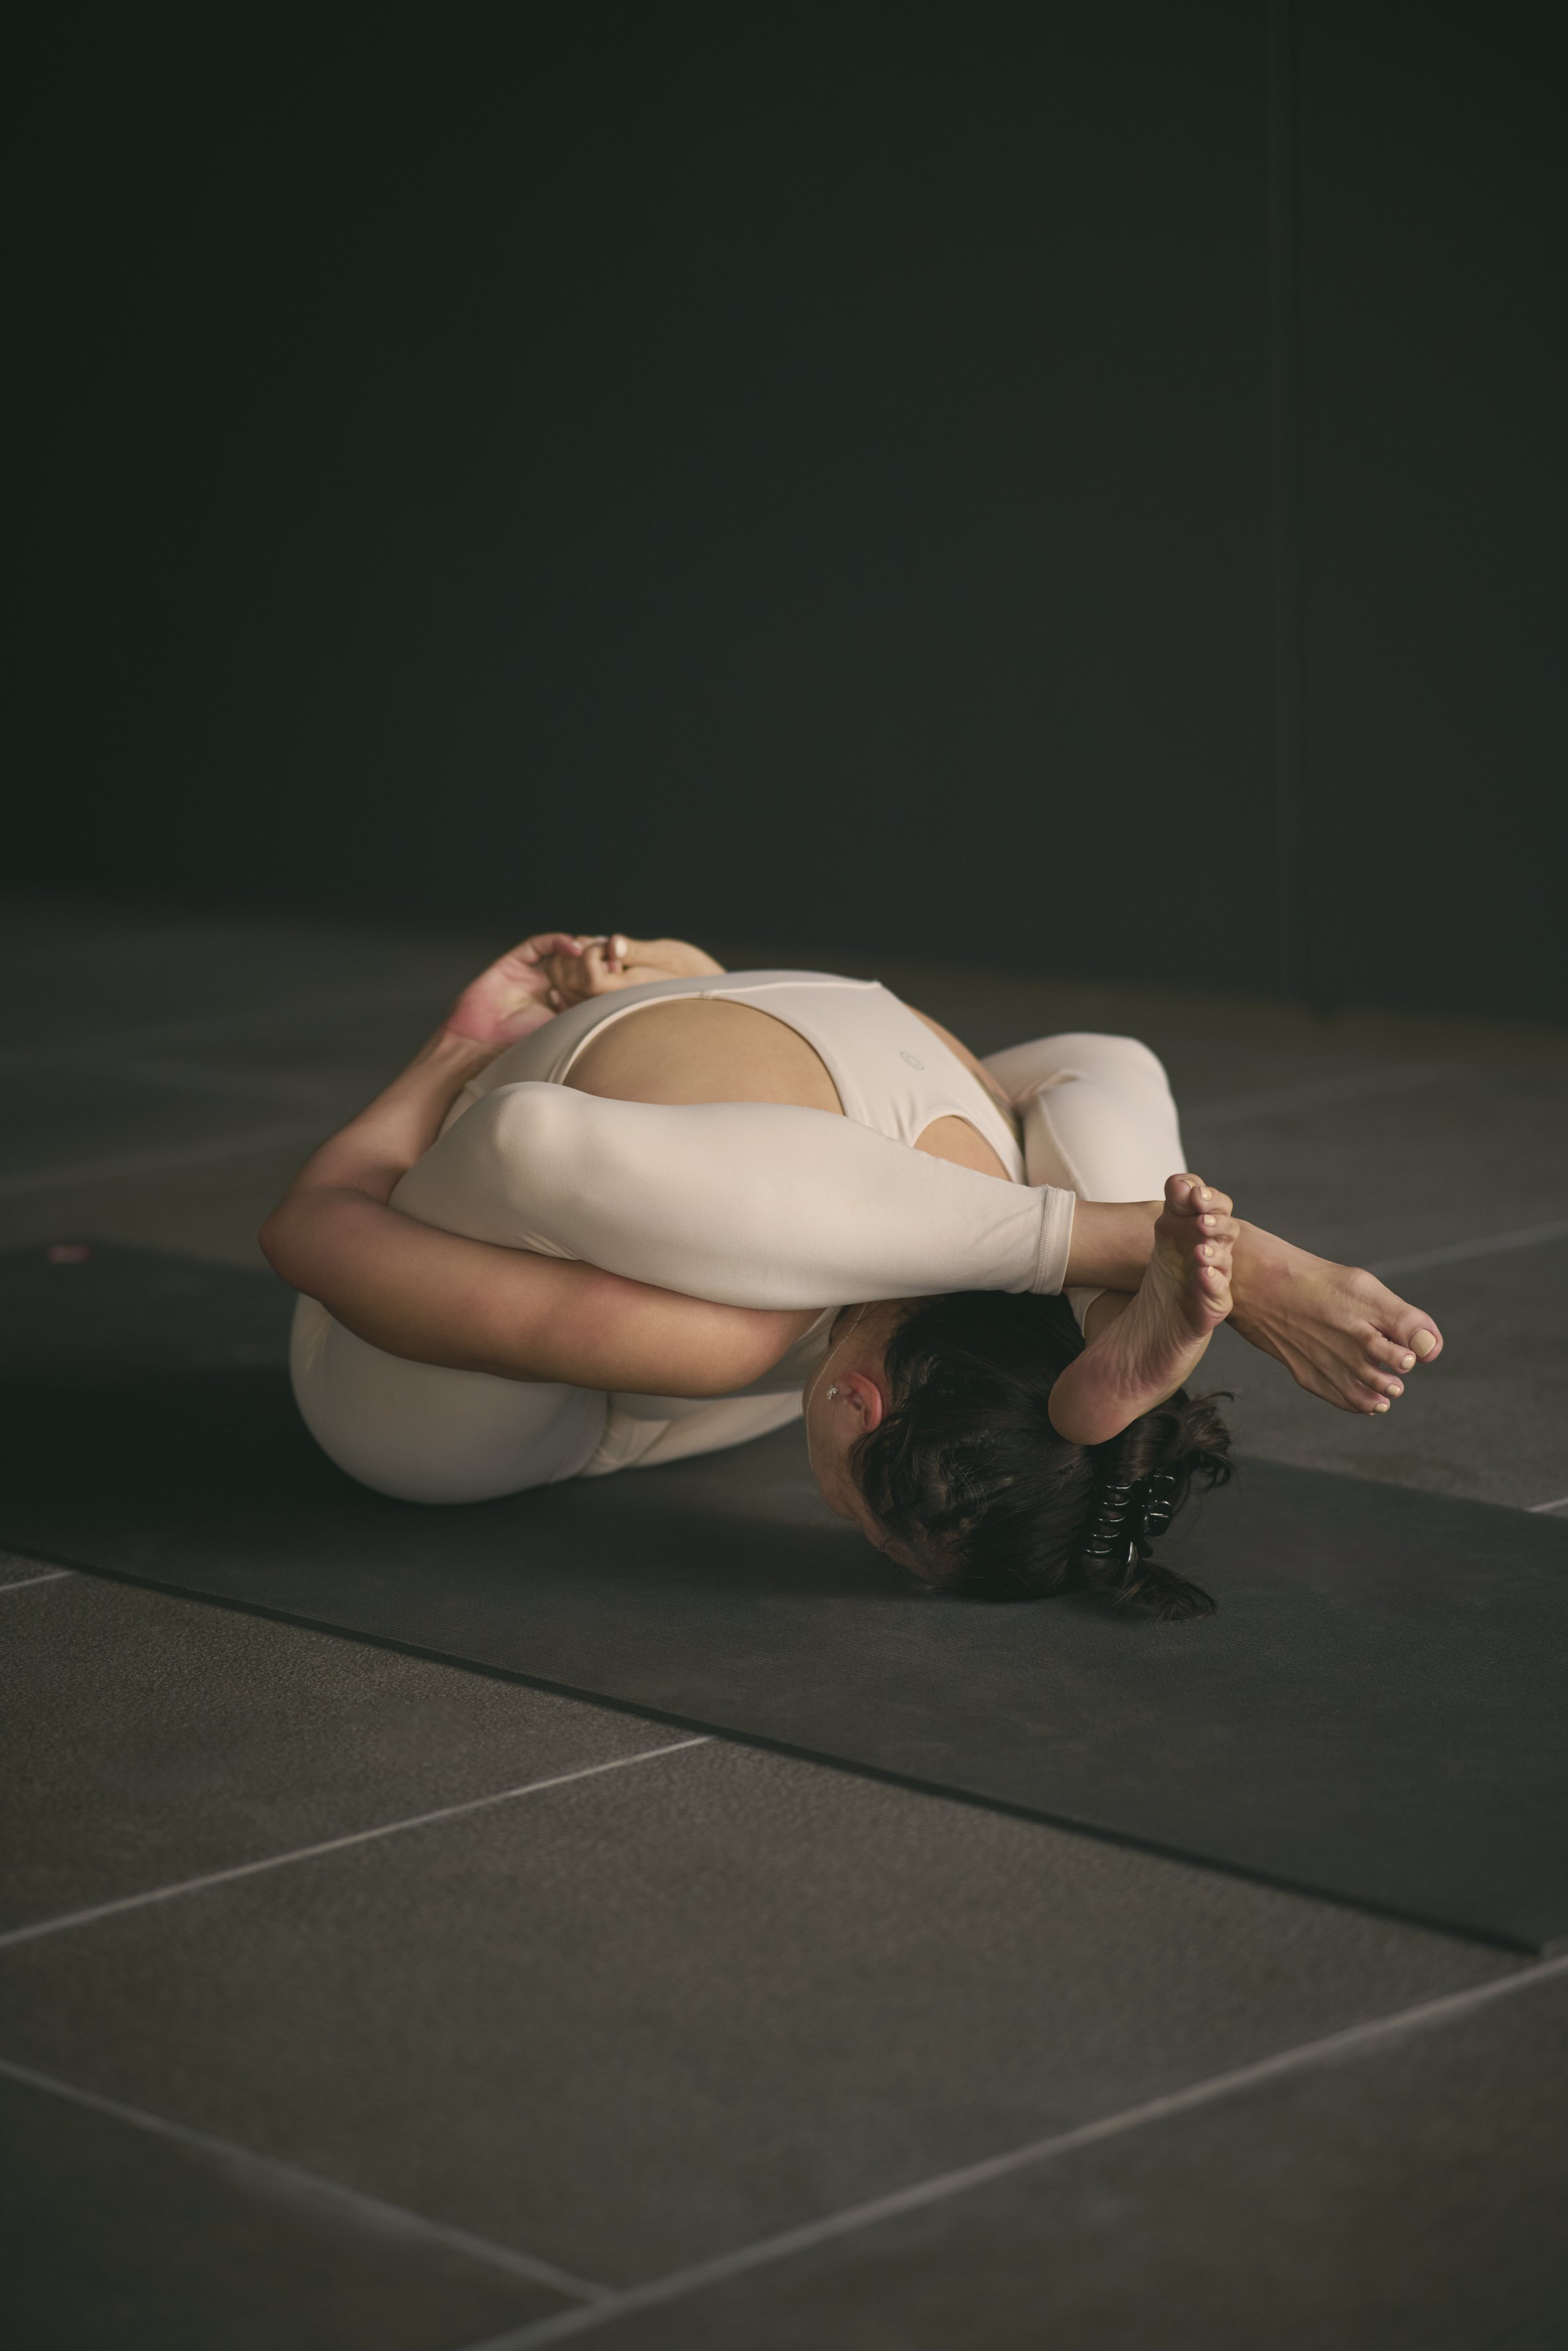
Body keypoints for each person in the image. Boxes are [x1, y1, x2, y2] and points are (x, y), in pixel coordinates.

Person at [260, 932, 1444, 1620]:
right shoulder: (726, 1333)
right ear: (862, 1403)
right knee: (725, 1347)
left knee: (1086, 1083)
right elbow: (310, 1229)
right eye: (870, 1532)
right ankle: (1100, 1256)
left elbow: (1099, 1062)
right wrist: (454, 1050)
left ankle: (1098, 1267)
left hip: (796, 1099)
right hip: (381, 1378)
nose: (851, 1531)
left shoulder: (977, 1125)